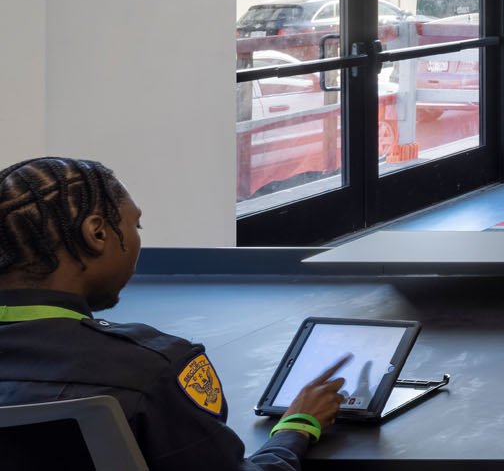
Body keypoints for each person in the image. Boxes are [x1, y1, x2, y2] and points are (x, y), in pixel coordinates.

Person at [0, 156, 349, 469]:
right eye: (135, 226)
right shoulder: (151, 370)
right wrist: (295, 428)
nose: (137, 238)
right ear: (97, 233)